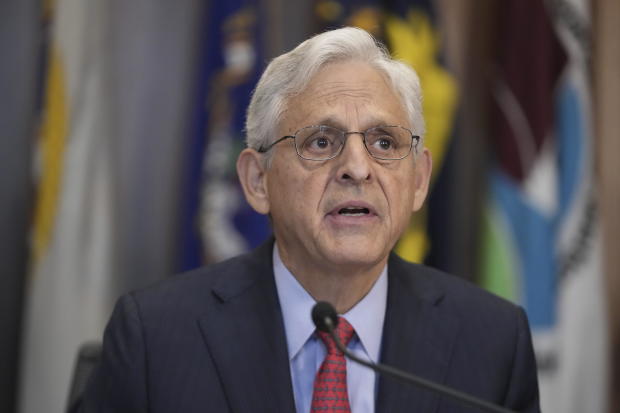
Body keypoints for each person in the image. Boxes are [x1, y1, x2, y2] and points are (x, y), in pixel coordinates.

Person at [79, 27, 540, 413]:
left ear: (418, 180)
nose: (357, 168)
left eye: (384, 142)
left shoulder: (494, 343)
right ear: (258, 180)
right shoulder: (154, 339)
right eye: (320, 142)